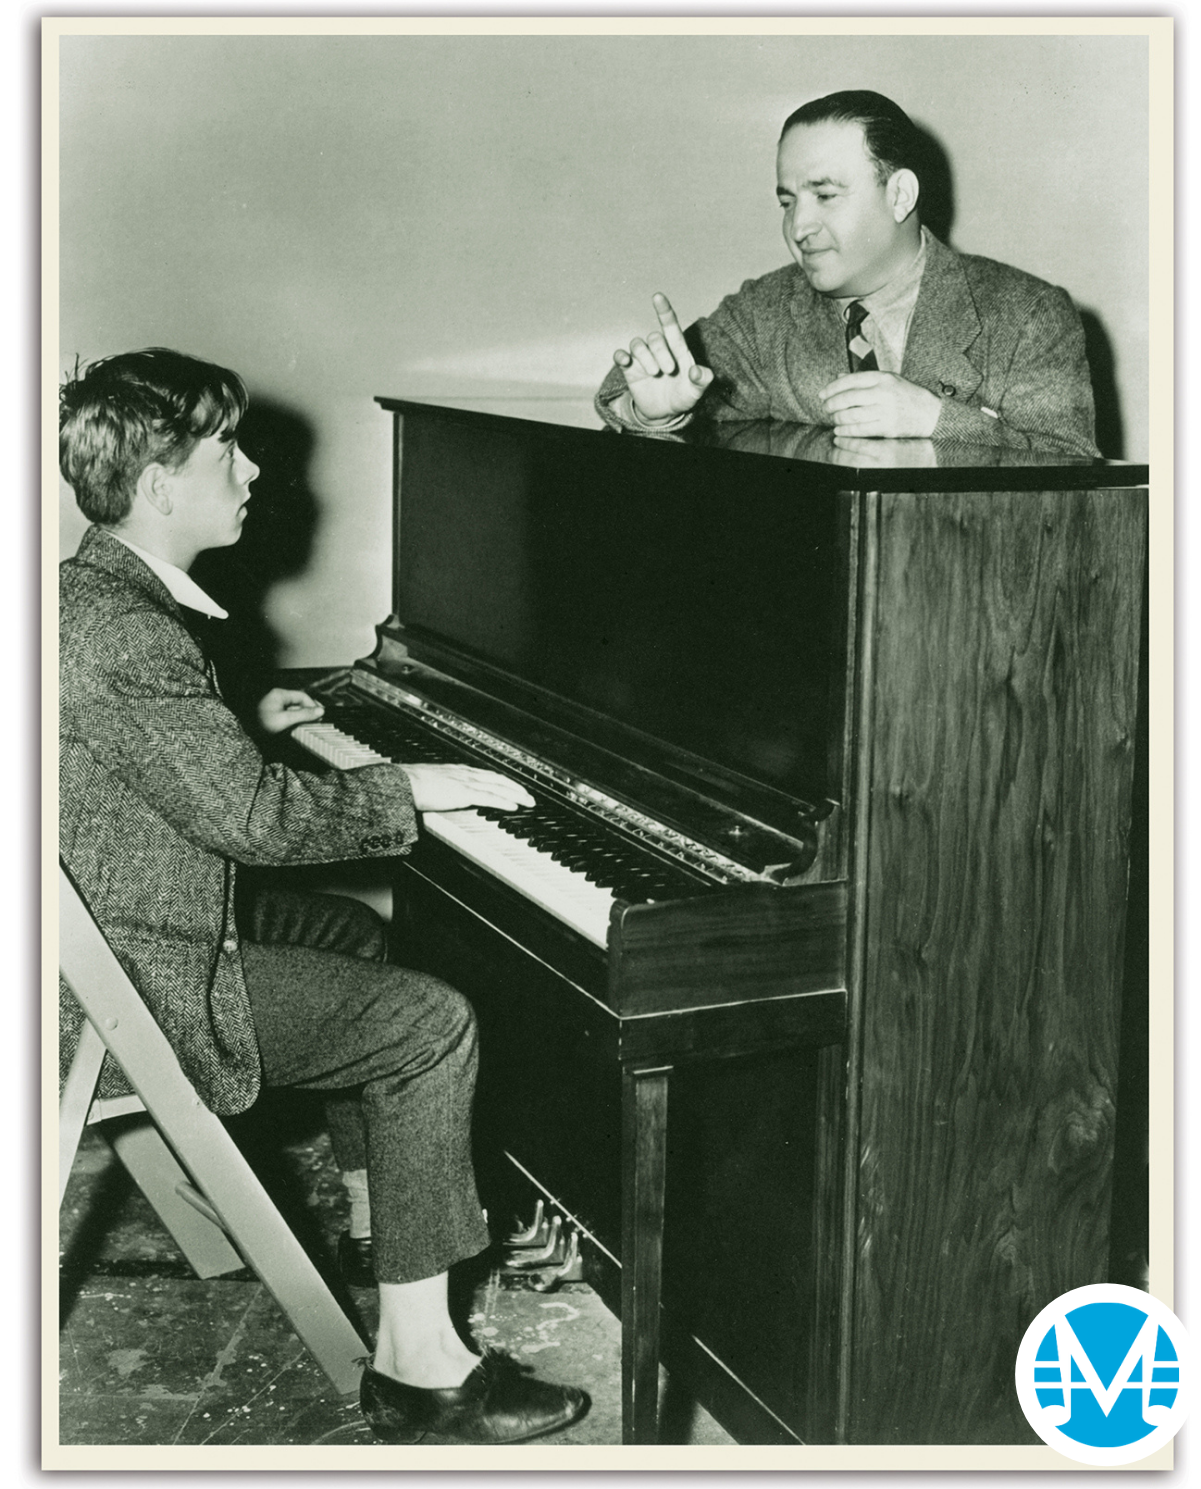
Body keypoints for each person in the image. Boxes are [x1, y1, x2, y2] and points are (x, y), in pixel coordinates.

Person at [58, 348, 589, 1445]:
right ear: (161, 483)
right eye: (227, 451)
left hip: (119, 925)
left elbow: (165, 768)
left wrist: (262, 729)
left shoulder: (91, 589)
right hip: (128, 991)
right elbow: (252, 821)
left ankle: (376, 1216)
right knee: (427, 1026)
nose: (252, 472)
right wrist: (415, 784)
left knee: (354, 934)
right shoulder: (127, 634)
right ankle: (421, 1366)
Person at [597, 90, 1098, 457]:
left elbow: (1076, 477)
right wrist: (653, 414)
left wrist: (936, 420)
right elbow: (635, 389)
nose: (799, 226)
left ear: (900, 195)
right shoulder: (765, 312)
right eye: (788, 201)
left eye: (826, 195)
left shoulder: (1027, 316)